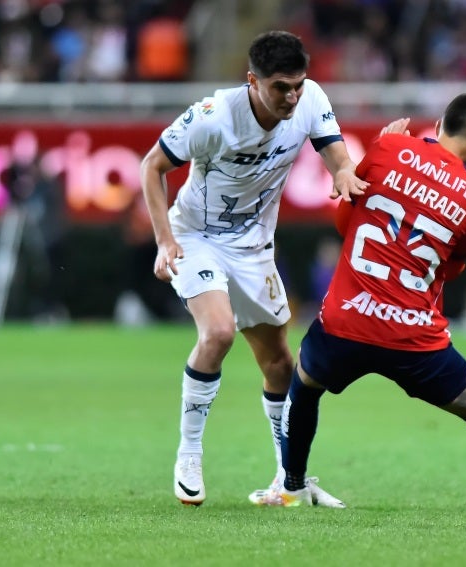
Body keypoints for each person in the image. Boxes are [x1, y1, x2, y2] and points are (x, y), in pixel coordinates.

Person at [250, 94, 466, 510]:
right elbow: (450, 270)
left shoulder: (389, 147)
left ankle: (292, 485)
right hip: (412, 336)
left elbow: (344, 221)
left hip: (347, 320)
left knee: (305, 384)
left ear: (439, 124)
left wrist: (381, 150)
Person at [140, 30, 368, 507]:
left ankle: (289, 479)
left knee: (280, 364)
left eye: (297, 85)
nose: (291, 97)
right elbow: (152, 166)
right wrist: (165, 240)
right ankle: (189, 454)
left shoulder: (310, 99)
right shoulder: (213, 116)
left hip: (254, 248)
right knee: (218, 333)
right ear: (253, 81)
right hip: (196, 238)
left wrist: (345, 171)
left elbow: (335, 152)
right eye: (280, 87)